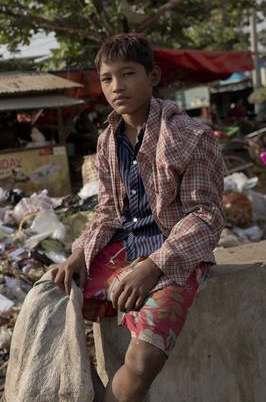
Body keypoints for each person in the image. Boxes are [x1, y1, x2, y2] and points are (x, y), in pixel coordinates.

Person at [50, 34, 223, 402]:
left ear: (153, 76)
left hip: (175, 254)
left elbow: (205, 216)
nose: (117, 86)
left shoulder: (190, 136)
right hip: (122, 246)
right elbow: (108, 211)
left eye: (128, 74)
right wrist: (80, 252)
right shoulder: (107, 140)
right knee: (52, 298)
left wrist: (154, 266)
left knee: (142, 361)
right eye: (108, 78)